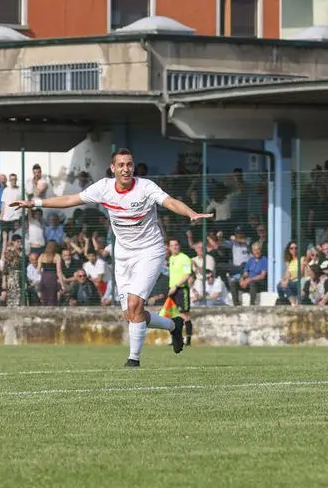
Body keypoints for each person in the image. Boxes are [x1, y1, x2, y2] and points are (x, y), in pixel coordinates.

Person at [11, 148, 212, 367]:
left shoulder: (145, 187)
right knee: (131, 313)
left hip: (149, 252)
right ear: (113, 168)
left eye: (130, 164)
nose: (126, 169)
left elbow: (170, 201)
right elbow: (70, 199)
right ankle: (173, 326)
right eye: (122, 165)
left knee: (135, 304)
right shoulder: (104, 188)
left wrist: (190, 212)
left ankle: (133, 361)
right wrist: (35, 203)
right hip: (123, 255)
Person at [167, 238, 194, 345]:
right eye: (172, 245)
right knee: (173, 316)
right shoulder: (171, 258)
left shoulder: (185, 258)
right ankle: (176, 339)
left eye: (176, 244)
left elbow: (187, 275)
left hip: (181, 289)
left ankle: (188, 340)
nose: (174, 246)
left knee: (185, 315)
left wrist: (176, 286)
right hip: (172, 290)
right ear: (169, 247)